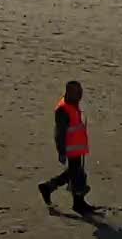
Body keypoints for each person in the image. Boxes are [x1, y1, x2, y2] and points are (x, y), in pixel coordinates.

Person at [39, 80, 100, 216]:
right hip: (71, 148)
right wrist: (61, 151)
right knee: (76, 174)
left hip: (77, 147)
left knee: (74, 173)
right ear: (70, 93)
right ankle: (53, 189)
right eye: (77, 92)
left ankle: (73, 200)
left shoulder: (73, 105)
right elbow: (60, 133)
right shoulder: (63, 109)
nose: (80, 95)